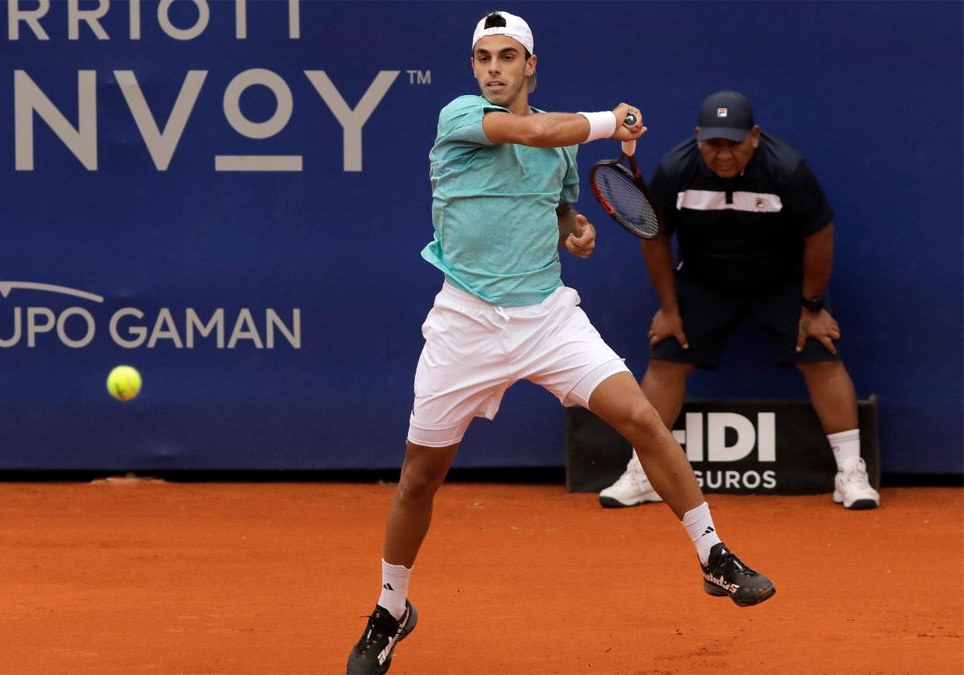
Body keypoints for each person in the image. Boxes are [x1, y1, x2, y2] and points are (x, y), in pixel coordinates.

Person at [346, 13, 776, 675]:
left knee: (642, 418)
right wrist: (613, 120)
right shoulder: (461, 115)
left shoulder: (560, 146)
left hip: (547, 317)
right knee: (418, 478)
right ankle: (390, 606)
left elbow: (558, 206)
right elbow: (535, 129)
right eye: (484, 57)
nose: (493, 68)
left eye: (507, 57)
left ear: (530, 66)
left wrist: (572, 230)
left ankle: (714, 554)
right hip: (465, 321)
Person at [597, 90, 880, 511]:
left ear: (755, 136)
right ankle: (644, 472)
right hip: (703, 281)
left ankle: (850, 474)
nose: (722, 154)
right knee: (667, 358)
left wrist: (813, 307)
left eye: (733, 143)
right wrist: (671, 310)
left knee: (821, 354)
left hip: (780, 282)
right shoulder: (677, 169)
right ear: (697, 138)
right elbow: (655, 238)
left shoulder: (787, 168)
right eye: (713, 143)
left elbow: (819, 236)